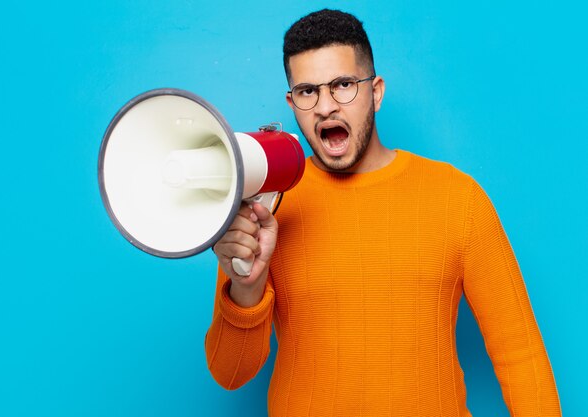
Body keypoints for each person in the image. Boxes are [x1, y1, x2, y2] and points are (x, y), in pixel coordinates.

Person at [205, 9, 561, 416]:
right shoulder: (266, 206)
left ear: (375, 91)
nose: (325, 107)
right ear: (292, 102)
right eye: (308, 91)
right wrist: (246, 287)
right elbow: (230, 373)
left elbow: (522, 356)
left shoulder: (458, 198)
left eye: (342, 85)